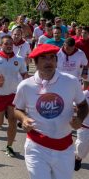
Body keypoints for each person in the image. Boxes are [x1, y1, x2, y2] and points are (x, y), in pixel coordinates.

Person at [13, 44, 88, 179]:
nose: (49, 62)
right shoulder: (25, 86)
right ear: (35, 62)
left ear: (56, 61)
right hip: (37, 146)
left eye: (52, 58)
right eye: (43, 58)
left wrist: (80, 120)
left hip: (64, 147)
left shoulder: (70, 81)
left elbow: (83, 105)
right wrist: (23, 119)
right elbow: (17, 109)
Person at [0, 35, 28, 157]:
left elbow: (25, 76)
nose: (9, 45)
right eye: (6, 43)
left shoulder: (19, 60)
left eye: (11, 43)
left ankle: (9, 146)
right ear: (1, 45)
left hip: (13, 95)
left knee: (13, 121)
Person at [75, 89, 89, 171]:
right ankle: (77, 158)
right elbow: (76, 107)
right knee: (81, 149)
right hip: (85, 126)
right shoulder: (85, 94)